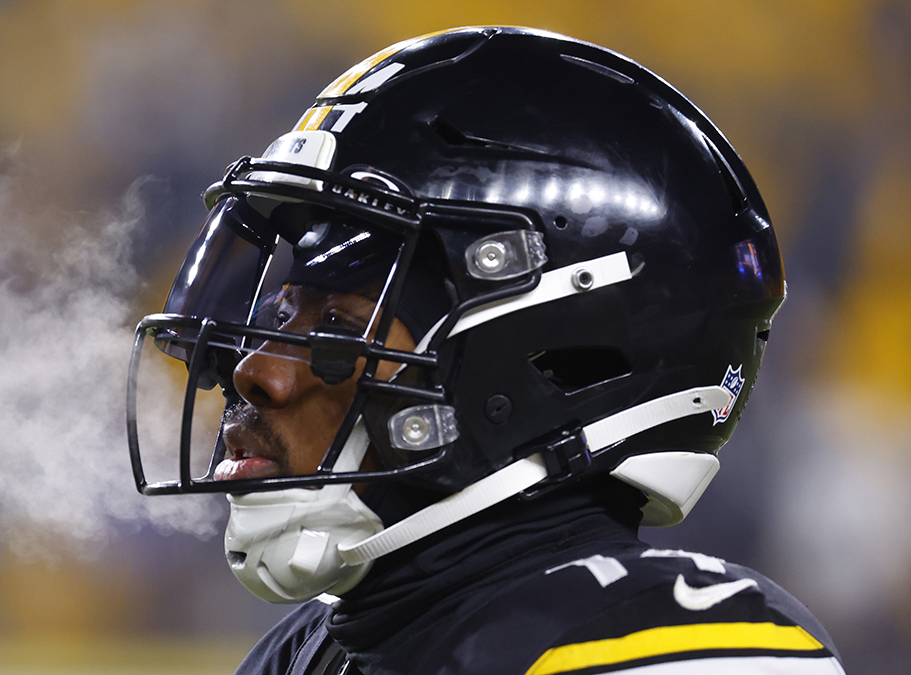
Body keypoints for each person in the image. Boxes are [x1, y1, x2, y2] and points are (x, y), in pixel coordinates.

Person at [125, 26, 845, 675]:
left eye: (339, 325)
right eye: (282, 316)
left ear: (546, 361)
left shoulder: (667, 640)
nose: (256, 372)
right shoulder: (306, 654)